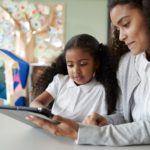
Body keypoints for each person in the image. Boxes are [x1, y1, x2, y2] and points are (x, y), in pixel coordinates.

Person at [26, 0, 150, 146]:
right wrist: (105, 120)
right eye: (117, 29)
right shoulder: (126, 62)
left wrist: (87, 134)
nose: (121, 36)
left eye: (126, 24)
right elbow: (123, 115)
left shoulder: (100, 89)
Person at [30, 33, 119, 122]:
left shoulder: (102, 90)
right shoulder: (60, 81)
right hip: (51, 129)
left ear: (96, 63)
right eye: (70, 65)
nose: (76, 70)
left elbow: (99, 124)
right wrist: (48, 115)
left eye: (83, 64)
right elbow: (35, 103)